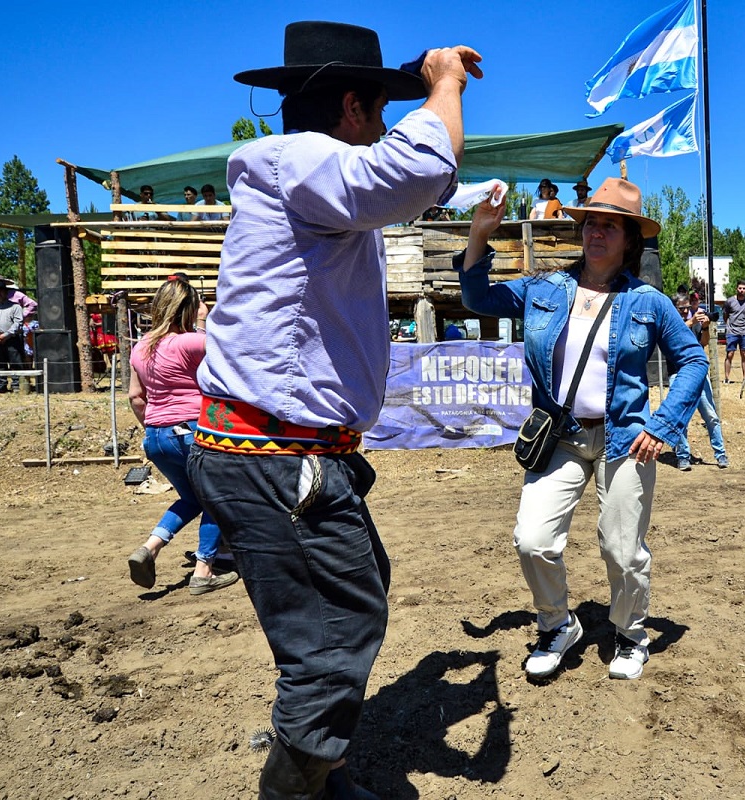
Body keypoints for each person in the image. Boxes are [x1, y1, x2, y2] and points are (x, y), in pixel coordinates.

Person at [185, 21, 483, 800]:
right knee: (339, 629)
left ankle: (327, 768)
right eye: (378, 110)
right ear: (353, 106)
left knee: (341, 605)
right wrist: (443, 83)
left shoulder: (305, 177)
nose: (383, 126)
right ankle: (295, 789)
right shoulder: (307, 159)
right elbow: (420, 170)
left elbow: (428, 179)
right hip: (278, 456)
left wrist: (431, 107)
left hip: (275, 452)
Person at [458, 176, 707, 682]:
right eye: (591, 222)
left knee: (622, 549)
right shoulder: (545, 288)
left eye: (609, 226)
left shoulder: (649, 302)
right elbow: (478, 298)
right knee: (533, 540)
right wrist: (480, 235)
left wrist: (664, 425)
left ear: (630, 239)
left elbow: (693, 359)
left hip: (625, 437)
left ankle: (631, 633)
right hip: (562, 437)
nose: (596, 232)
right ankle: (557, 625)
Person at [126, 277, 238, 595]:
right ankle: (204, 570)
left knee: (192, 498)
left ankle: (151, 547)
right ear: (187, 309)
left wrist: (152, 427)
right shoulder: (190, 342)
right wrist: (203, 320)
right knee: (218, 496)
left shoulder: (141, 348)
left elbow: (136, 396)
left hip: (156, 438)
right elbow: (224, 347)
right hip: (190, 432)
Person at [671, 292, 727, 470]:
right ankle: (682, 455)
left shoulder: (693, 321)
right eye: (682, 308)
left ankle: (721, 454)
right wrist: (692, 321)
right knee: (680, 418)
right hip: (678, 373)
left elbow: (703, 342)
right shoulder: (669, 321)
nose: (686, 311)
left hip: (697, 373)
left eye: (687, 307)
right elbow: (675, 333)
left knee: (711, 415)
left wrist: (704, 327)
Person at [723, 280, 745, 383]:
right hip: (732, 331)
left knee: (744, 354)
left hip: (744, 331)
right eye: (740, 288)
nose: (741, 290)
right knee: (730, 354)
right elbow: (725, 315)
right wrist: (730, 325)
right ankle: (727, 377)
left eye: (744, 288)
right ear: (736, 288)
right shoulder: (730, 301)